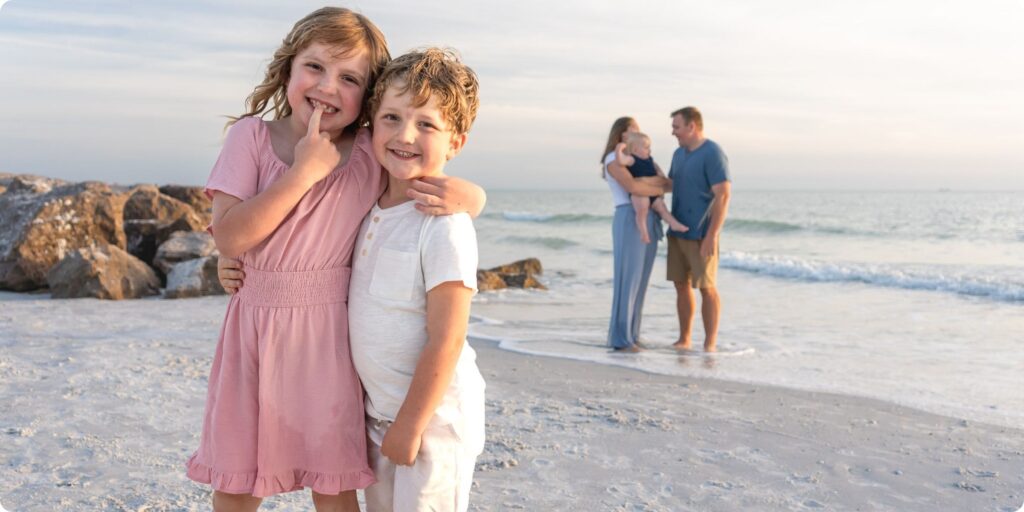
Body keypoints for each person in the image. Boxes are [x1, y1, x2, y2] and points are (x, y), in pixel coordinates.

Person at [185, 9, 486, 512]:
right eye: (316, 68)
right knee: (238, 478)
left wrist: (474, 197)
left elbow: (420, 182)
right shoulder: (250, 138)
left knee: (334, 477)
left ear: (366, 98)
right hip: (253, 334)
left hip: (330, 340)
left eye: (349, 78)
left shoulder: (370, 151)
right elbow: (232, 238)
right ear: (287, 68)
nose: (328, 87)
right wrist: (303, 173)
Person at [353, 47, 485, 512]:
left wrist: (410, 424)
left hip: (434, 421)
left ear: (456, 143)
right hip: (380, 415)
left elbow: (447, 339)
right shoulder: (367, 206)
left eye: (426, 124)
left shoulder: (443, 223)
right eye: (391, 117)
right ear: (370, 125)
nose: (404, 135)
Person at [602, 117, 672, 352]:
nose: (636, 135)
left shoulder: (643, 157)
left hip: (649, 216)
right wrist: (653, 184)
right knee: (628, 280)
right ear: (621, 135)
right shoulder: (614, 158)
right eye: (632, 131)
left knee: (641, 282)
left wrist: (647, 182)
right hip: (628, 217)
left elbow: (667, 184)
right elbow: (632, 188)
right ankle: (621, 339)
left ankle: (633, 335)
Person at [666, 107, 731, 353]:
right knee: (680, 285)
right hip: (678, 231)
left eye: (676, 127)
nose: (673, 132)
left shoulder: (713, 153)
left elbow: (723, 195)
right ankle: (684, 338)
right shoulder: (678, 154)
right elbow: (672, 184)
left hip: (702, 234)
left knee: (707, 287)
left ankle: (710, 343)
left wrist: (712, 235)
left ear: (692, 126)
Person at [614, 132, 689, 244]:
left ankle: (673, 224)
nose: (650, 150)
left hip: (652, 191)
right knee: (642, 210)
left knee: (661, 207)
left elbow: (659, 173)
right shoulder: (632, 159)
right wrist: (619, 149)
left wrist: (661, 176)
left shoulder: (650, 160)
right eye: (646, 147)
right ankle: (644, 233)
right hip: (639, 193)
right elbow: (620, 160)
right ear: (635, 150)